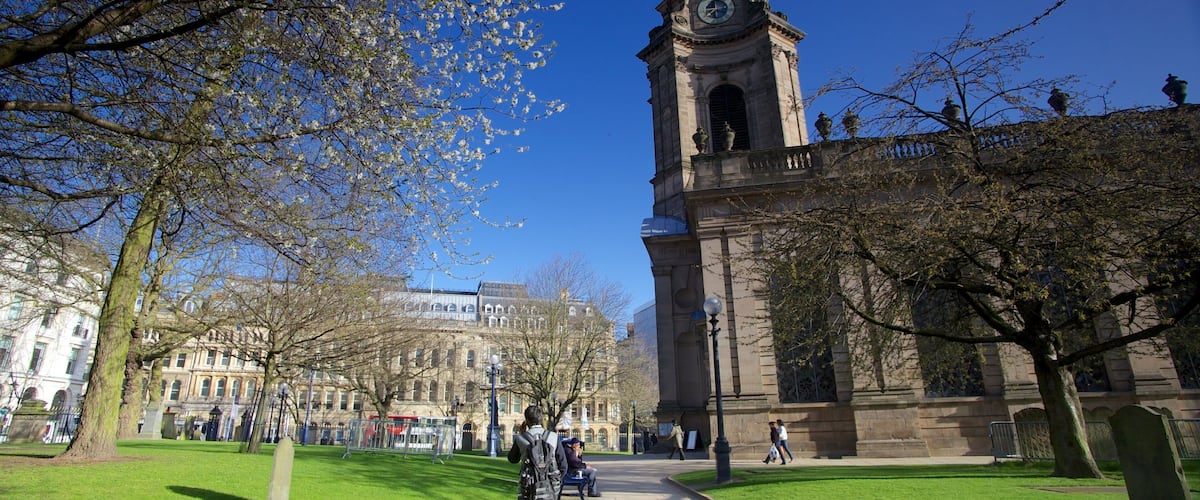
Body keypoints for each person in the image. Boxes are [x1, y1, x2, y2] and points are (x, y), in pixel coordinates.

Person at [507, 406, 567, 500]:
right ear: (541, 419)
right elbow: (563, 465)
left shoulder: (521, 439)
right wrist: (557, 480)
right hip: (551, 486)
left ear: (526, 420)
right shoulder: (553, 437)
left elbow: (512, 459)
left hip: (529, 486)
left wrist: (522, 434)